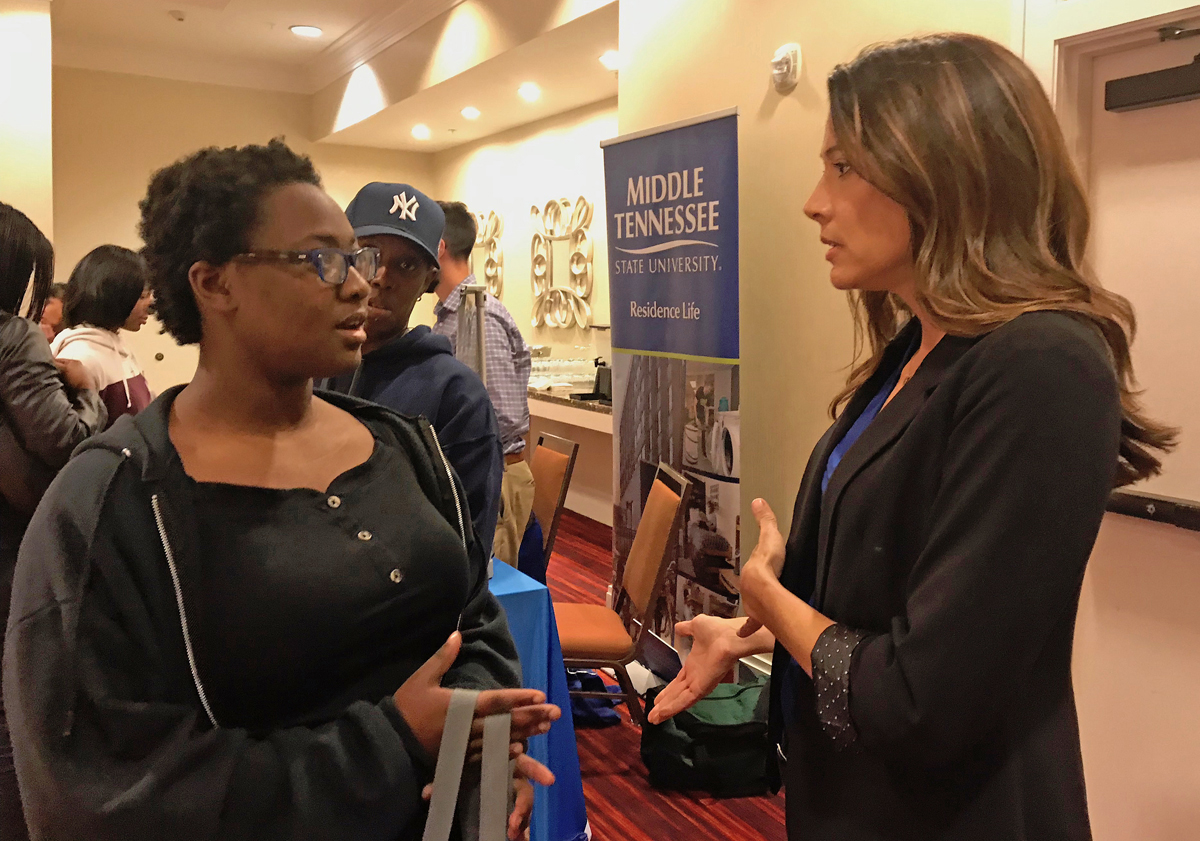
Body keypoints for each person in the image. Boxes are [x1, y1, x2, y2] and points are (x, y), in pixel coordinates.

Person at [647, 34, 1176, 841]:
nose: (814, 201)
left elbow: (920, 700)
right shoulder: (918, 346)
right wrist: (755, 631)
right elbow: (889, 580)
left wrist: (769, 599)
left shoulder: (1042, 365)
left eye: (844, 167)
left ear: (946, 170)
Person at [4, 140, 557, 841]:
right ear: (214, 283)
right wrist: (391, 742)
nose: (360, 284)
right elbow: (97, 795)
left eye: (357, 259)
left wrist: (478, 754)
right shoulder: (114, 501)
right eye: (321, 260)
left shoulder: (405, 446)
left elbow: (470, 618)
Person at [0, 203, 107, 841]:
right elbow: (66, 442)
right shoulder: (13, 337)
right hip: (9, 547)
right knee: (14, 720)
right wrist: (89, 390)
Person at [322, 183, 504, 553]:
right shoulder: (309, 369)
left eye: (407, 265)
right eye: (367, 254)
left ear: (428, 280)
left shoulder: (457, 395)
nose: (381, 276)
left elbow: (465, 554)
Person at [433, 201, 532, 567]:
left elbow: (500, 416)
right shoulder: (450, 316)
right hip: (478, 475)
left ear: (439, 247)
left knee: (491, 595)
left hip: (496, 478)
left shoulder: (479, 317)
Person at [52, 244, 155, 427]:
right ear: (114, 296)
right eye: (142, 296)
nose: (151, 303)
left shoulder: (116, 346)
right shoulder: (81, 357)